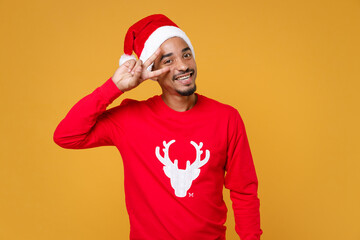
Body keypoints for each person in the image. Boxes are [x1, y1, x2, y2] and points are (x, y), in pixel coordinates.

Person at [53, 14, 262, 240]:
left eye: (187, 55)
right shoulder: (130, 119)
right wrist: (114, 87)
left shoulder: (226, 118)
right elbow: (66, 136)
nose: (183, 66)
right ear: (152, 72)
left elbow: (244, 191)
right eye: (168, 61)